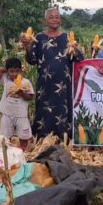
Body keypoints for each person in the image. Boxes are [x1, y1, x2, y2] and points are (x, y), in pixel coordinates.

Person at [21, 8, 83, 140]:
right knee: (44, 109)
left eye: (57, 17)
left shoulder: (67, 38)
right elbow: (32, 60)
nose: (55, 19)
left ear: (60, 20)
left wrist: (76, 50)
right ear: (46, 20)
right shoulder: (39, 38)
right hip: (45, 83)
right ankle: (42, 138)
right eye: (51, 17)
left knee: (63, 109)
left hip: (64, 83)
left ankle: (64, 138)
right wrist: (27, 46)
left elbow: (79, 59)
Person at [0, 58, 35, 150]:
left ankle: (23, 153)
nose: (14, 74)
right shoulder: (5, 79)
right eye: (11, 71)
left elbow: (30, 97)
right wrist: (7, 67)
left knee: (24, 138)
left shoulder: (26, 82)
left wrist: (21, 93)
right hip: (7, 114)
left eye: (17, 71)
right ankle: (5, 154)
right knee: (5, 138)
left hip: (21, 115)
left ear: (21, 70)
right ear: (7, 71)